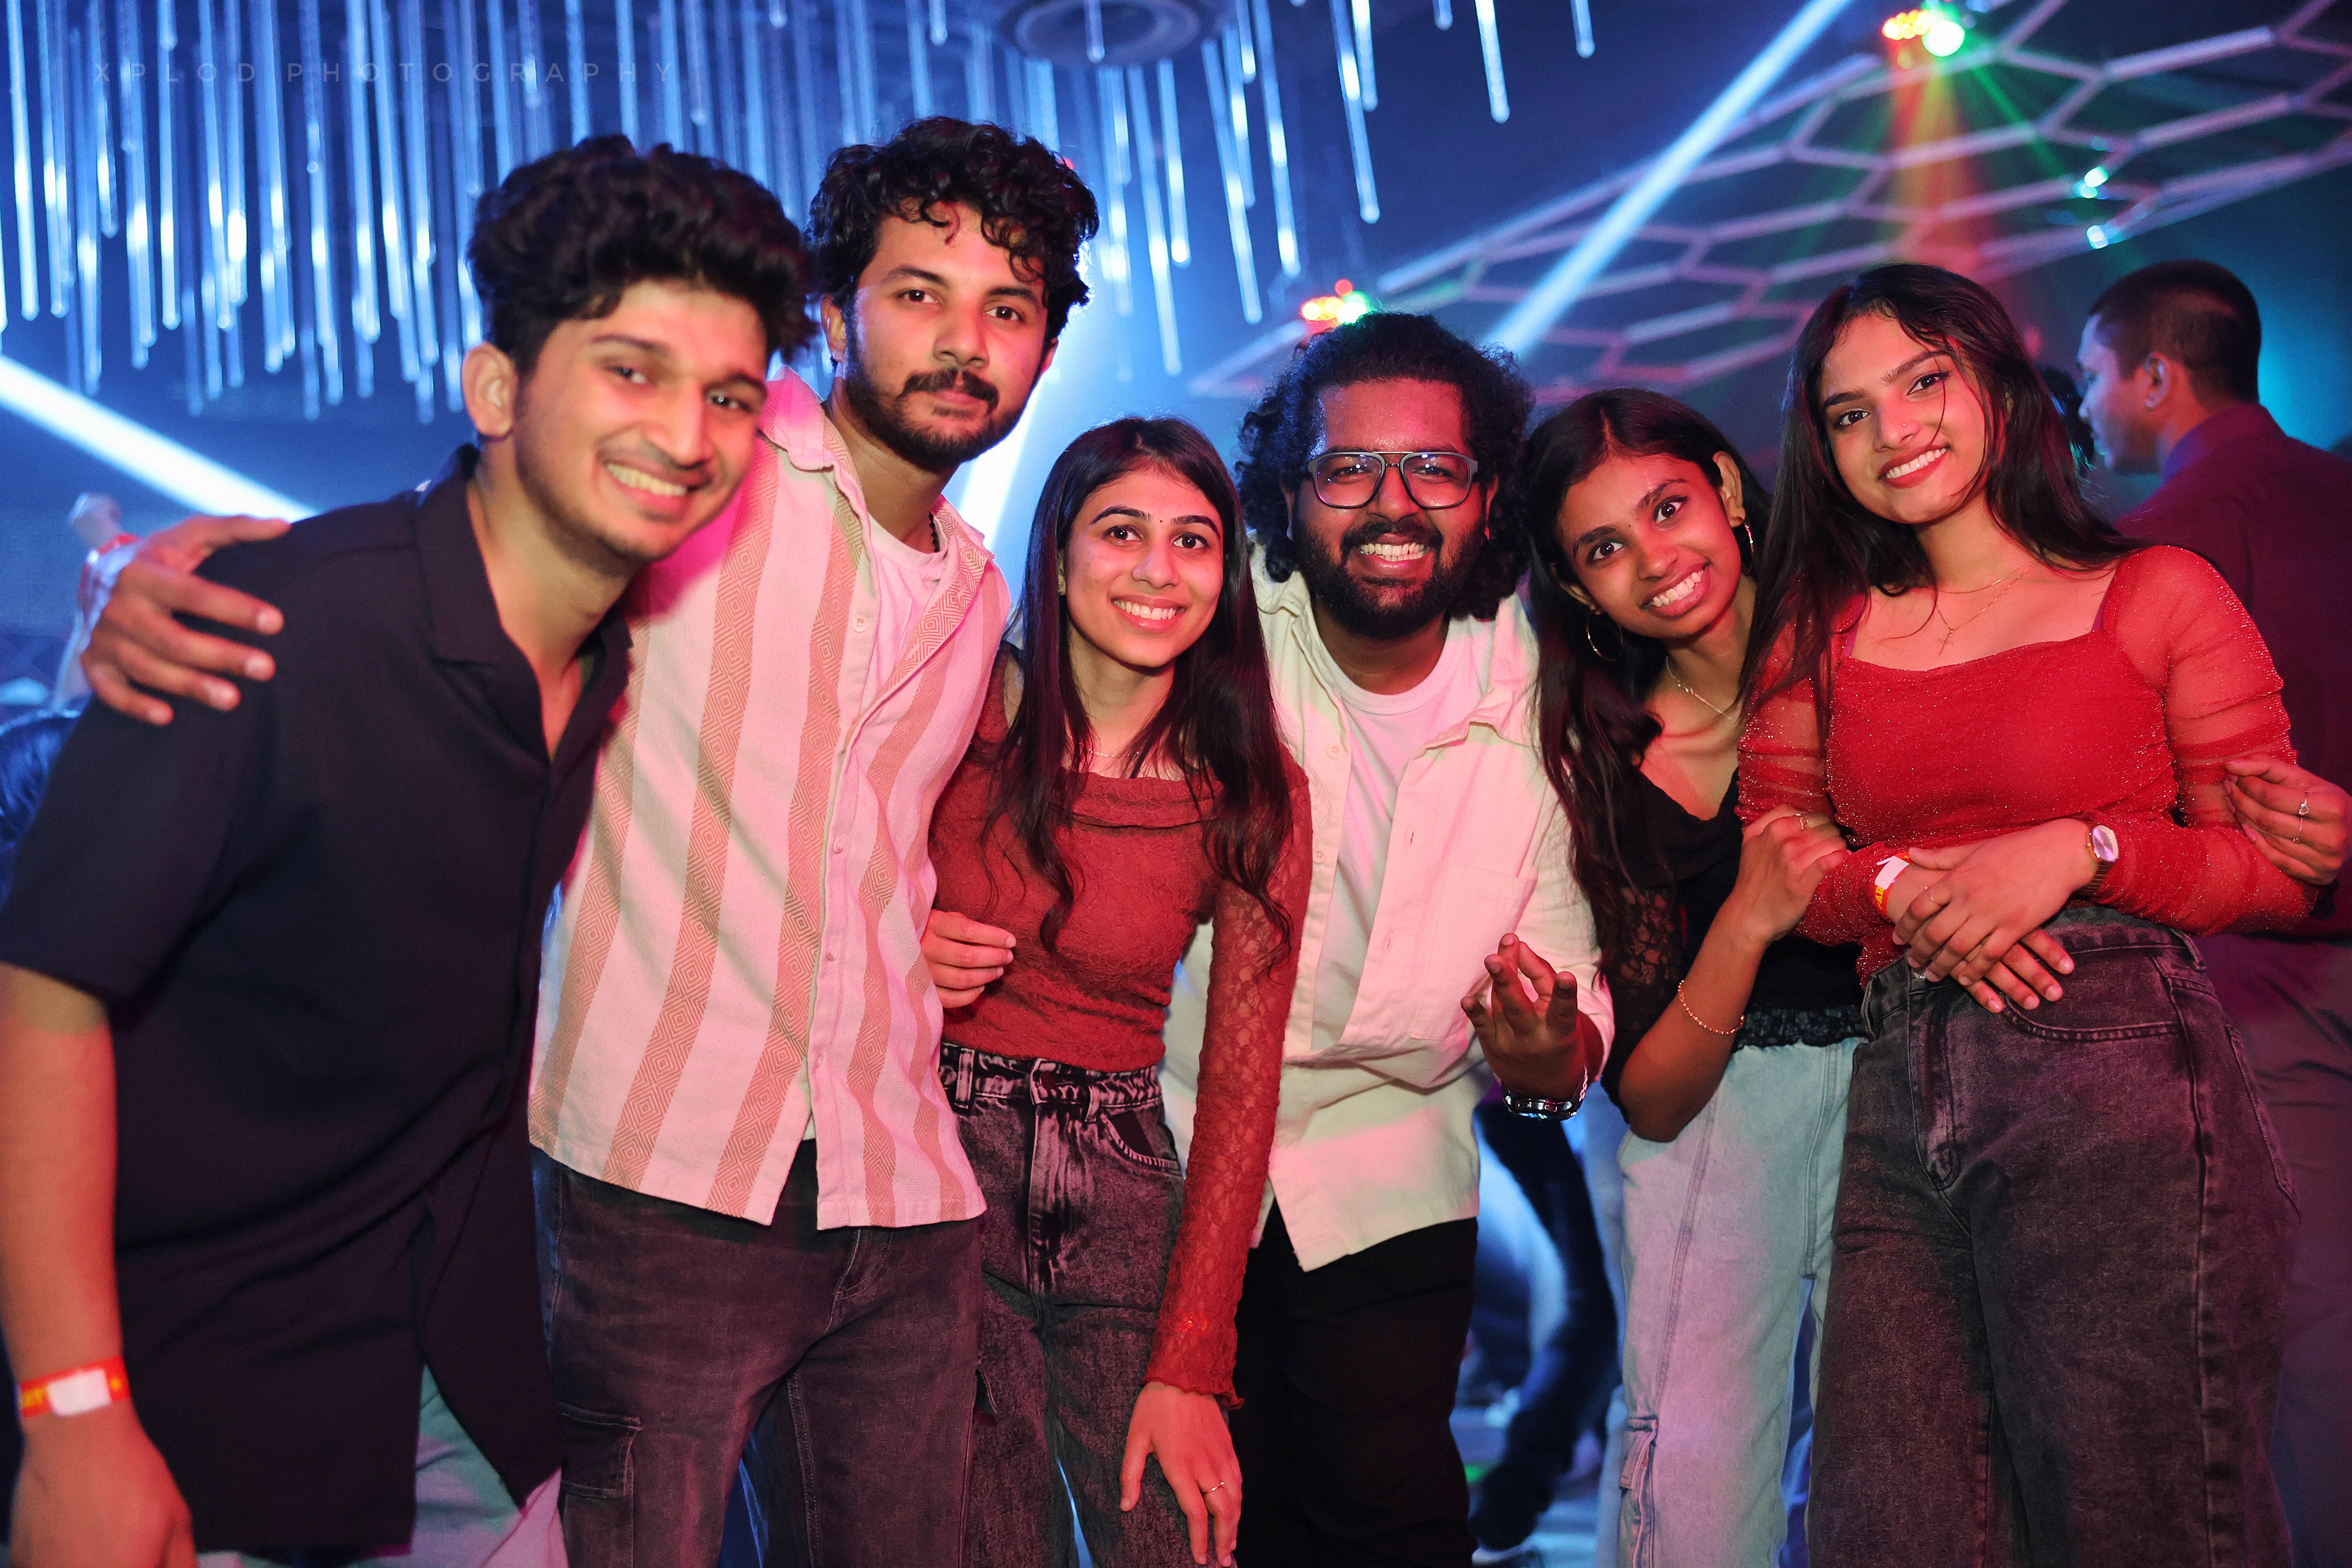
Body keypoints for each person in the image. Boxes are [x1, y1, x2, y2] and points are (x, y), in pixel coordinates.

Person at [71, 117, 1099, 1567]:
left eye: (1009, 310)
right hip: (654, 1165)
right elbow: (497, 516)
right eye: (919, 293)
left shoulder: (978, 589)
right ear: (831, 310)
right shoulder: (717, 465)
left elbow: (873, 832)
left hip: (900, 1175)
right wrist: (202, 565)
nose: (964, 343)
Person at [0, 138, 805, 1564]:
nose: (687, 433)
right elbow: (39, 998)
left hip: (459, 1379)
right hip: (199, 1383)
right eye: (631, 370)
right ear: (496, 389)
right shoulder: (263, 627)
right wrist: (73, 1416)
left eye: (729, 394)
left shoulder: (608, 660)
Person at [1741, 260, 2345, 1567]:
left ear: (2000, 388)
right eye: (1849, 412)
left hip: (2120, 1079)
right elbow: (1778, 852)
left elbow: (2276, 865)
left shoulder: (2159, 590)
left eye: (1924, 380)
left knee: (2146, 1521)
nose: (1893, 430)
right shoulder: (1816, 635)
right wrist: (1898, 883)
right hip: (1898, 1090)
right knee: (1889, 1527)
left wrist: (2082, 849)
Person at [1169, 311, 1612, 1568]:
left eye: (1433, 468)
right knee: (1200, 1528)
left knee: (1390, 1516)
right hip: (1166, 1141)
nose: (1392, 502)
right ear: (1288, 492)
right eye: (1348, 467)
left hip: (1392, 1154)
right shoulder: (1212, 623)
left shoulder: (1540, 697)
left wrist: (1546, 1055)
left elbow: (1569, 994)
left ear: (1488, 496)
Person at [913, 418, 1310, 1568]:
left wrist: (1192, 1362)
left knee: (1175, 1541)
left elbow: (1240, 1096)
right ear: (1057, 553)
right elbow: (812, 862)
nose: (1158, 570)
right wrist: (892, 939)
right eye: (1122, 531)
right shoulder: (955, 710)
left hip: (1125, 1187)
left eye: (1194, 540)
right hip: (942, 1171)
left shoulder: (1252, 788)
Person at [1493, 388, 1863, 1566]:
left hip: (1908, 1100)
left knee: (1895, 1475)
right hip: (1714, 1125)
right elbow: (1650, 1099)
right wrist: (1747, 918)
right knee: (1692, 1480)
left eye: (1668, 509)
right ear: (1573, 586)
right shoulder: (1608, 764)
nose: (1655, 560)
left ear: (1729, 487)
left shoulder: (1874, 641)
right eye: (1605, 548)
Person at [2078, 257, 2352, 1567]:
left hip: (2268, 963)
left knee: (2308, 1329)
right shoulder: (2337, 489)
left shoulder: (2166, 541)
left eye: (2093, 374)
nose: (2088, 405)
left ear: (2153, 374)